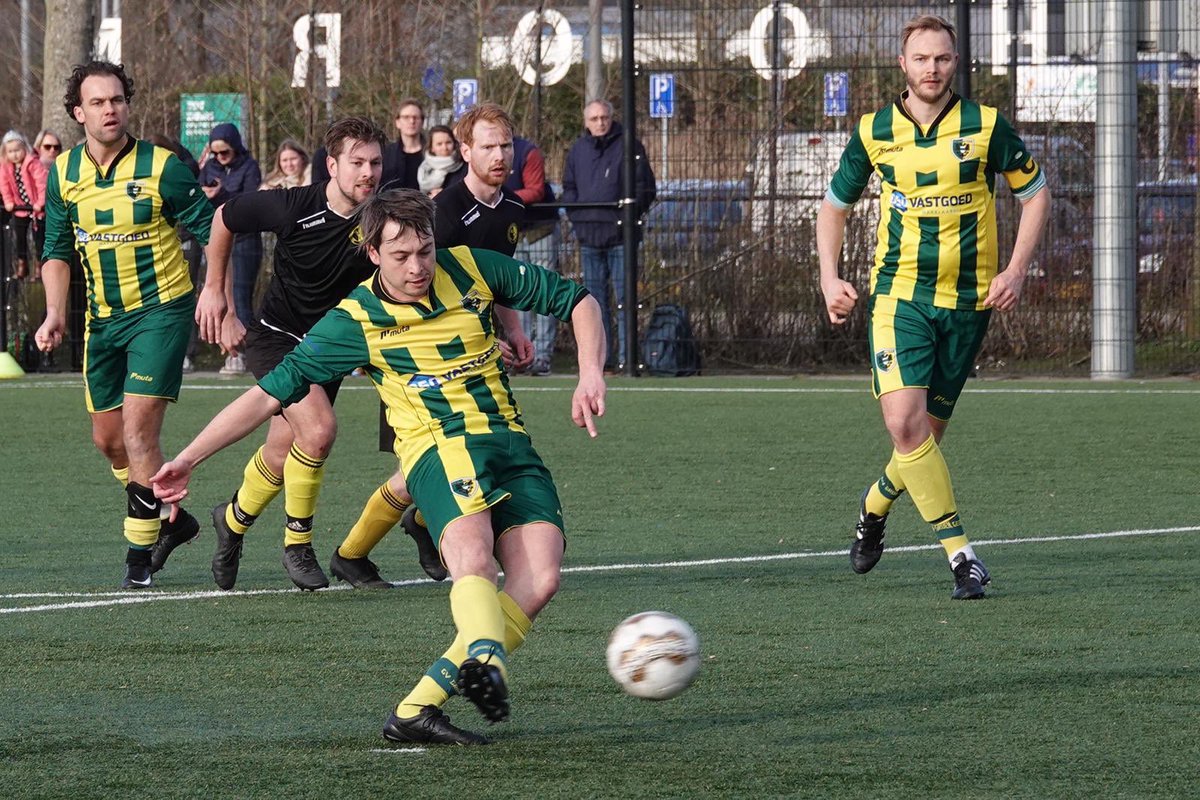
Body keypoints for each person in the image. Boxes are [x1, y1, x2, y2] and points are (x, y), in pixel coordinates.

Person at [150, 188, 606, 746]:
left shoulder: (471, 268)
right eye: (401, 256)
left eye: (425, 250)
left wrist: (589, 372)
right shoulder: (354, 320)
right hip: (438, 450)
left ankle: (416, 710)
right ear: (372, 253)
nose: (417, 267)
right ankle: (486, 660)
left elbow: (579, 301)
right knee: (474, 563)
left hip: (510, 443)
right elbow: (268, 396)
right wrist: (189, 457)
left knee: (540, 580)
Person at [816, 14, 1051, 599]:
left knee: (923, 439)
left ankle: (873, 509)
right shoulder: (874, 131)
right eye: (921, 58)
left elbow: (1036, 192)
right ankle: (962, 555)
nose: (932, 68)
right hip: (899, 296)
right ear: (903, 64)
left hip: (970, 304)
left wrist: (1017, 268)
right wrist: (828, 278)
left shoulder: (986, 125)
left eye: (942, 59)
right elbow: (833, 207)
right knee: (902, 422)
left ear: (955, 63)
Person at [33, 60, 214, 589]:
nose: (110, 109)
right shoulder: (63, 173)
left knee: (137, 430)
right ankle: (171, 516)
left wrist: (218, 292)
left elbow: (212, 228)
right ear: (77, 112)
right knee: (110, 441)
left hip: (161, 312)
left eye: (117, 100)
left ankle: (140, 557)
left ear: (127, 105)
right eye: (97, 102)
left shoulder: (163, 167)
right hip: (103, 322)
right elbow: (56, 250)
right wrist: (54, 313)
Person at [346, 102, 534, 585]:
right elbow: (399, 277)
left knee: (453, 462)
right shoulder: (442, 212)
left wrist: (511, 329)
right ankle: (358, 552)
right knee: (419, 469)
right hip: (415, 360)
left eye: (506, 144)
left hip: (472, 358)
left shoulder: (512, 207)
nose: (499, 154)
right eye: (488, 146)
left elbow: (497, 282)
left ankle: (402, 535)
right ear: (465, 151)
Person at [199, 116, 387, 591]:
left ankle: (232, 521)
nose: (368, 172)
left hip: (329, 349)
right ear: (331, 165)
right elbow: (223, 218)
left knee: (283, 452)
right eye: (357, 162)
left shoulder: (380, 220)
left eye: (375, 163)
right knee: (319, 431)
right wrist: (217, 293)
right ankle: (297, 543)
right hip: (276, 337)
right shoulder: (293, 205)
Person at [561, 99, 656, 371]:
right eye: (594, 118)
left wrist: (626, 216)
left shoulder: (630, 146)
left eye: (604, 117)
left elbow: (646, 187)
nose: (600, 123)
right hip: (589, 237)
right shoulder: (577, 151)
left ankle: (628, 358)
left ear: (611, 118)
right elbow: (569, 187)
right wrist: (579, 218)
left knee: (626, 300)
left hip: (621, 237)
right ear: (585, 122)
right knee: (594, 304)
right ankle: (602, 361)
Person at [200, 122, 262, 375]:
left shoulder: (249, 167)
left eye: (224, 152)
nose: (219, 158)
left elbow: (249, 200)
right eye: (215, 153)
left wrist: (221, 192)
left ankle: (244, 353)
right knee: (216, 297)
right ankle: (225, 350)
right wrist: (205, 192)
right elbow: (198, 193)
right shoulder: (210, 167)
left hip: (244, 238)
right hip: (216, 239)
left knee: (240, 297)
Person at [147, 134, 204, 374]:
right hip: (154, 244)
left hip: (185, 239)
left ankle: (185, 353)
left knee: (185, 294)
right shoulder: (140, 178)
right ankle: (154, 350)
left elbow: (205, 222)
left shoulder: (183, 176)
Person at [506, 134, 561, 376]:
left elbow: (536, 190)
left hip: (540, 230)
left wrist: (504, 199)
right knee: (519, 296)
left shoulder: (528, 152)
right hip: (513, 231)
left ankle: (543, 354)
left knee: (543, 293)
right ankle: (522, 354)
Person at [0, 130, 48, 280]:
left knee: (39, 238)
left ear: (24, 148)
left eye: (17, 150)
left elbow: (42, 183)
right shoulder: (5, 167)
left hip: (35, 207)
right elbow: (5, 185)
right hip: (20, 207)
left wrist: (40, 202)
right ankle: (22, 263)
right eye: (11, 151)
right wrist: (8, 201)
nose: (14, 155)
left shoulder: (33, 163)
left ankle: (39, 266)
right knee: (20, 236)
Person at [382, 98, 428, 190]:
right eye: (406, 117)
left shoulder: (433, 152)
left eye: (416, 117)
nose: (412, 121)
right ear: (397, 122)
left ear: (422, 122)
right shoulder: (386, 154)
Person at [417, 125, 465, 196]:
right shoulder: (425, 168)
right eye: (439, 144)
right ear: (432, 147)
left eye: (448, 142)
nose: (444, 148)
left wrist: (444, 195)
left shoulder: (464, 166)